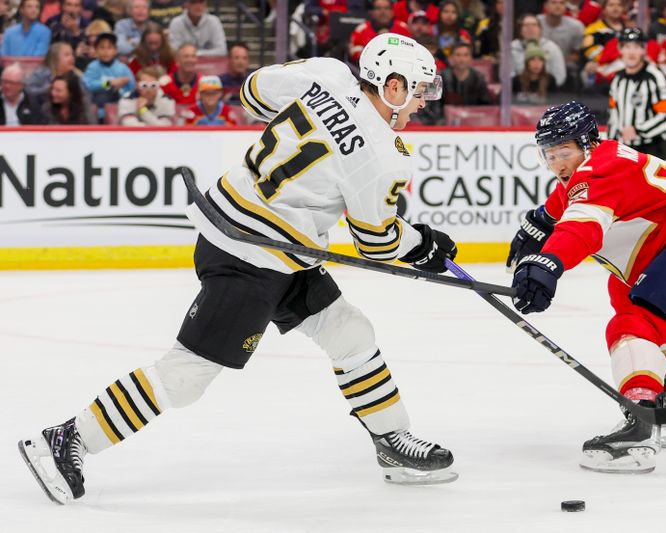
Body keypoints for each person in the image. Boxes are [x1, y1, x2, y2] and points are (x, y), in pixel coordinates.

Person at [19, 32, 459, 505]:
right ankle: (67, 439)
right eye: (416, 92)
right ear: (391, 87)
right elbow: (375, 241)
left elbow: (252, 91)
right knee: (186, 375)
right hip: (252, 256)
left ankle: (391, 439)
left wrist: (314, 121)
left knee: (349, 331)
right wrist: (423, 244)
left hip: (257, 238)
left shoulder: (328, 73)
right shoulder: (384, 156)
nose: (420, 105)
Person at [507, 101, 666, 473]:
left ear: (587, 144)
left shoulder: (595, 173)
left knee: (631, 326)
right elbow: (565, 204)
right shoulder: (607, 160)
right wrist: (541, 221)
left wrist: (550, 262)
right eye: (549, 154)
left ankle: (639, 427)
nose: (557, 163)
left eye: (564, 151)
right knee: (626, 293)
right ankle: (662, 404)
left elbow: (583, 225)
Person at [607, 28, 666, 159]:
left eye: (637, 47)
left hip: (651, 150)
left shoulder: (655, 77)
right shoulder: (617, 79)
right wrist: (611, 144)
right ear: (620, 49)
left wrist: (639, 130)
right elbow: (614, 115)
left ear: (644, 50)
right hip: (624, 150)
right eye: (627, 46)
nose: (631, 52)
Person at [81, 31, 134, 121]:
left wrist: (121, 89)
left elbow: (132, 87)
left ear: (115, 50)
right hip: (97, 110)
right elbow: (87, 85)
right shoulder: (93, 67)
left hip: (119, 109)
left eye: (109, 48)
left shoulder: (123, 68)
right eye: (102, 47)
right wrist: (110, 83)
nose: (105, 51)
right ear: (96, 50)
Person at [511, 13, 566, 88]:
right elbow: (507, 74)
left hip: (548, 90)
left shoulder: (552, 48)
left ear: (540, 29)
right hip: (518, 89)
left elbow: (560, 75)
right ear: (520, 30)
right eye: (526, 25)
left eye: (534, 25)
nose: (530, 28)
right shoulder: (511, 48)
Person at [538, 0, 585, 73]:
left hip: (566, 67)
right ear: (545, 6)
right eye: (553, 2)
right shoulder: (535, 22)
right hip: (537, 66)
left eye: (562, 3)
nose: (558, 6)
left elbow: (576, 53)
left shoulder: (576, 26)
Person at [441, 41, 493, 106]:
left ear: (471, 58)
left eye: (465, 55)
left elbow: (485, 105)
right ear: (451, 58)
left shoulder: (478, 78)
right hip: (447, 115)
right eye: (458, 55)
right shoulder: (442, 77)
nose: (462, 59)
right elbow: (436, 106)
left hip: (473, 115)